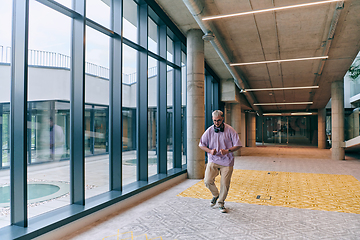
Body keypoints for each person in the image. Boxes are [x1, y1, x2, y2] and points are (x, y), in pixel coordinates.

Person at [199, 110, 242, 213]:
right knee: (207, 181)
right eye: (214, 121)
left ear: (222, 119)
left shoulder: (230, 130)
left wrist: (228, 150)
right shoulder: (209, 130)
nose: (216, 123)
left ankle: (221, 203)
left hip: (227, 161)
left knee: (225, 184)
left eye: (218, 120)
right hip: (213, 160)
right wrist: (209, 151)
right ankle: (215, 195)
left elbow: (238, 145)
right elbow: (201, 144)